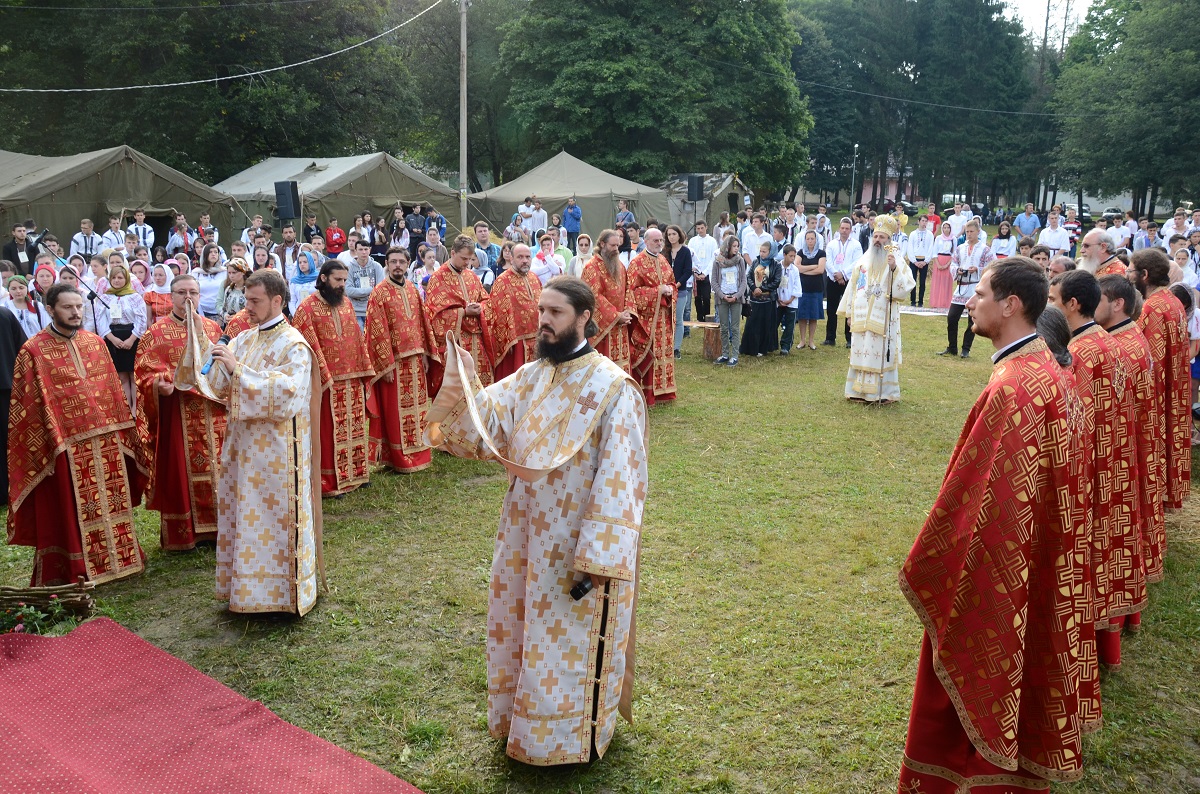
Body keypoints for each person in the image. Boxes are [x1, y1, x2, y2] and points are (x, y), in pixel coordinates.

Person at [425, 276, 647, 767]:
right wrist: (463, 378)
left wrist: (599, 557)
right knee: (522, 628)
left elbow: (622, 477)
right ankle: (520, 725)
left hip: (574, 542)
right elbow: (484, 428)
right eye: (541, 310)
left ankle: (568, 740)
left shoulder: (613, 388)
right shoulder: (530, 375)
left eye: (556, 313)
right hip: (524, 530)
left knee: (565, 639)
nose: (543, 321)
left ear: (584, 318)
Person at [898, 257, 1084, 792]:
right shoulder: (1043, 367)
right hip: (1037, 551)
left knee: (979, 651)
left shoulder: (1014, 386)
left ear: (1010, 305)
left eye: (979, 294)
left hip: (1002, 561)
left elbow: (983, 498)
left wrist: (942, 559)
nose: (970, 302)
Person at [177, 268, 324, 615]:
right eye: (246, 299)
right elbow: (216, 385)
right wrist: (199, 341)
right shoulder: (243, 339)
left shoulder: (295, 345)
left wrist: (238, 370)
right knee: (244, 519)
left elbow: (287, 395)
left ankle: (280, 599)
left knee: (274, 523)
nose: (248, 307)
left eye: (255, 301)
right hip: (242, 451)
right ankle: (244, 593)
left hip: (278, 457)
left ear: (277, 300)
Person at [8, 283, 147, 586]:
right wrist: (48, 441)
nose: (75, 312)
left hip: (106, 438)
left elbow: (112, 390)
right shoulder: (33, 350)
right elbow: (26, 406)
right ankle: (78, 567)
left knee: (111, 501)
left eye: (79, 306)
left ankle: (120, 558)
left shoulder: (95, 343)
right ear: (50, 309)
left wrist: (124, 429)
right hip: (63, 445)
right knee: (70, 509)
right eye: (68, 307)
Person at [1049, 269, 1147, 666]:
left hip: (1092, 470)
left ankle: (1085, 639)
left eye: (1053, 301)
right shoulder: (1108, 341)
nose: (1049, 307)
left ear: (1072, 304)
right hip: (1113, 464)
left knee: (1087, 558)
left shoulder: (1083, 352)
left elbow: (1077, 421)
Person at [132, 274, 227, 550]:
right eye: (182, 292)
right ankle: (185, 534)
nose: (188, 298)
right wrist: (157, 385)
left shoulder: (212, 328)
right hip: (178, 413)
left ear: (199, 296)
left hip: (212, 413)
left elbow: (222, 366)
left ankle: (220, 529)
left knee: (219, 469)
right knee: (180, 471)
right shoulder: (155, 333)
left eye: (193, 292)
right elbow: (143, 373)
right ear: (171, 296)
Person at [1095, 273, 1160, 663]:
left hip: (1117, 460)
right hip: (1128, 454)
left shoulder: (1117, 347)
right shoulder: (1130, 338)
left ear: (1117, 303)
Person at [292, 261, 375, 498]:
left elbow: (357, 337)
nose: (342, 285)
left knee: (354, 427)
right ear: (323, 278)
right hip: (326, 382)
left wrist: (364, 369)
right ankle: (330, 482)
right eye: (337, 280)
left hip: (352, 378)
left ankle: (356, 474)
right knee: (329, 433)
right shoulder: (307, 308)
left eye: (344, 280)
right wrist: (323, 374)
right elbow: (307, 346)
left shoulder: (346, 303)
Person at [1130, 248, 1192, 512]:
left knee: (1157, 437)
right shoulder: (1173, 300)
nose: (1128, 275)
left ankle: (1157, 493)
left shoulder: (1153, 307)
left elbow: (1151, 360)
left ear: (1144, 275)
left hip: (1159, 390)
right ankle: (1168, 490)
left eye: (1131, 270)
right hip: (1175, 385)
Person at [364, 248, 435, 474]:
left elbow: (422, 323)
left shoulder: (413, 289)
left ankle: (419, 452)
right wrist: (385, 364)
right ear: (386, 263)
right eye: (393, 261)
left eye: (401, 262)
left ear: (407, 263)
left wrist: (425, 354)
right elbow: (376, 331)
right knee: (395, 413)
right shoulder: (379, 293)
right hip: (394, 363)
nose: (397, 265)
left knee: (418, 411)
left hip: (416, 361)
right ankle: (398, 458)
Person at [837, 216, 916, 403]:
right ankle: (857, 391)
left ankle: (883, 393)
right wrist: (849, 314)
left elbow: (906, 286)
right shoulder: (863, 261)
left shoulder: (896, 260)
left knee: (880, 354)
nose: (878, 240)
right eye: (875, 236)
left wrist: (894, 268)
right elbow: (853, 288)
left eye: (882, 237)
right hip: (862, 318)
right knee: (861, 352)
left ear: (889, 239)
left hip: (884, 318)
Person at [425, 235, 494, 397]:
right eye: (463, 258)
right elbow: (435, 316)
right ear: (453, 253)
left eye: (470, 259)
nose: (467, 263)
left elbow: (486, 300)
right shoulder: (438, 278)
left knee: (481, 389)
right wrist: (463, 312)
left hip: (477, 341)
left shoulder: (471, 276)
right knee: (458, 393)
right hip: (456, 344)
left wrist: (481, 307)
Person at [627, 228, 676, 404]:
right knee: (651, 353)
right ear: (646, 241)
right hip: (647, 319)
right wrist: (657, 292)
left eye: (661, 240)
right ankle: (649, 393)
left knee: (664, 353)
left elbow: (672, 283)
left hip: (664, 317)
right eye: (656, 240)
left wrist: (670, 290)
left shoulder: (663, 260)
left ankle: (665, 392)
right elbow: (632, 292)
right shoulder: (637, 263)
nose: (659, 243)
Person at [485, 243, 543, 382]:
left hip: (537, 338)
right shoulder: (502, 281)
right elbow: (496, 313)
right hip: (515, 342)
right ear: (511, 258)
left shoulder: (534, 278)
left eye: (528, 257)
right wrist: (506, 340)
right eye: (520, 257)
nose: (525, 260)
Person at [582, 229, 634, 374]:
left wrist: (627, 311)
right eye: (612, 245)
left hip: (622, 324)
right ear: (602, 244)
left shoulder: (620, 266)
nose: (616, 249)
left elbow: (628, 288)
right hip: (603, 329)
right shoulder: (591, 267)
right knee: (604, 368)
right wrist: (616, 316)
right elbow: (594, 296)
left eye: (617, 245)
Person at [940, 219, 994, 359]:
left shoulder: (985, 249)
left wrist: (978, 269)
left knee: (972, 320)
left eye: (971, 231)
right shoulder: (960, 248)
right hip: (961, 287)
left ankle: (966, 349)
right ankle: (952, 347)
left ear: (978, 232)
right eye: (967, 232)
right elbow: (953, 263)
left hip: (975, 288)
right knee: (952, 317)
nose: (969, 234)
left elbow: (992, 266)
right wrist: (957, 270)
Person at [100, 264, 148, 414]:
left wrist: (132, 339)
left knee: (133, 375)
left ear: (126, 279)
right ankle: (126, 409)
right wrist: (112, 338)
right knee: (121, 376)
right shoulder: (105, 297)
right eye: (113, 277)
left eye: (120, 277)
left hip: (132, 336)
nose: (116, 280)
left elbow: (141, 319)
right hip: (113, 337)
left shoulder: (135, 297)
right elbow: (100, 319)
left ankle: (135, 410)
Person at [824, 218, 862, 347]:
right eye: (842, 228)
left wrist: (843, 274)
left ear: (851, 230)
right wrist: (836, 275)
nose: (844, 231)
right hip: (833, 279)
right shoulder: (832, 244)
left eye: (847, 228)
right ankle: (830, 338)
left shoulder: (856, 245)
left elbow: (857, 262)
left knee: (849, 309)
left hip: (849, 280)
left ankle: (849, 339)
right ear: (839, 229)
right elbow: (828, 261)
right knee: (831, 309)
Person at [739, 242, 781, 358]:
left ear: (770, 252)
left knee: (765, 324)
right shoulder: (755, 262)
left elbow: (776, 282)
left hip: (768, 300)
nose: (762, 254)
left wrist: (762, 289)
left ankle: (763, 348)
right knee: (752, 323)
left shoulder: (776, 265)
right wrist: (753, 288)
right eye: (761, 251)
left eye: (764, 252)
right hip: (755, 299)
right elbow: (748, 276)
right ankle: (749, 347)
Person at [710, 235, 746, 366]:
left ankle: (735, 355)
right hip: (722, 298)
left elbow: (743, 280)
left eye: (738, 246)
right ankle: (725, 354)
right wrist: (722, 295)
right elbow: (714, 281)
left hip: (736, 297)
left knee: (735, 328)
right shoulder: (718, 261)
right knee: (724, 327)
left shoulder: (740, 260)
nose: (736, 249)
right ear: (727, 246)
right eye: (734, 246)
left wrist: (737, 295)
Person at [794, 231, 826, 351]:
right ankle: (802, 340)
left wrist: (804, 270)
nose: (810, 241)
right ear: (805, 240)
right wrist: (813, 266)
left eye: (812, 239)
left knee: (813, 315)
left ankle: (811, 341)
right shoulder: (801, 252)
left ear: (816, 240)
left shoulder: (821, 253)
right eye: (808, 239)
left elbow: (820, 270)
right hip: (803, 288)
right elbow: (796, 267)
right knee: (802, 315)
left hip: (816, 288)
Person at [345, 239, 386, 330]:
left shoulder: (377, 266)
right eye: (360, 249)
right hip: (355, 311)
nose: (363, 252)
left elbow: (380, 290)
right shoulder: (350, 268)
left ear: (369, 250)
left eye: (366, 249)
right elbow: (349, 291)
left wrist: (359, 292)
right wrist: (371, 289)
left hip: (373, 309)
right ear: (356, 251)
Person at [665, 225, 693, 359]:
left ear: (679, 235)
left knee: (678, 319)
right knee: (666, 319)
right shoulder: (664, 251)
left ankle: (676, 348)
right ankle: (666, 345)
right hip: (665, 291)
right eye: (669, 234)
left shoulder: (685, 251)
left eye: (674, 234)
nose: (671, 237)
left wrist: (676, 285)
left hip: (680, 290)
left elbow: (688, 271)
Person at [906, 215, 935, 307]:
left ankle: (921, 301)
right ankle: (913, 301)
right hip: (914, 260)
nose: (924, 223)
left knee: (922, 282)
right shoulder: (913, 234)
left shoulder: (930, 234)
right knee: (913, 281)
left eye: (926, 221)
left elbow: (931, 248)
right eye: (922, 221)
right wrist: (914, 261)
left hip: (924, 260)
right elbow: (910, 248)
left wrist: (925, 261)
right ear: (919, 222)